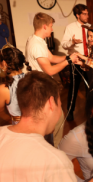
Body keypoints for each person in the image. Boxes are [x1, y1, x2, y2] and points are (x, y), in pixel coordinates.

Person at [25, 13, 74, 146]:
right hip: (42, 87)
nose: (52, 29)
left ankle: (52, 147)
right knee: (55, 119)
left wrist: (70, 57)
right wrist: (68, 61)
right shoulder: (36, 45)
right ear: (45, 26)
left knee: (57, 118)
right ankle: (54, 149)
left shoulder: (38, 40)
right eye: (51, 26)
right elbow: (50, 70)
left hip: (44, 85)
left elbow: (51, 58)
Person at [61, 4, 90, 122]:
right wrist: (72, 42)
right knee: (74, 88)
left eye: (87, 13)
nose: (87, 16)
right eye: (84, 14)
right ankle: (70, 112)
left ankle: (90, 111)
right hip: (76, 62)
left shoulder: (90, 26)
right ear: (77, 15)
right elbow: (64, 44)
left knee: (90, 88)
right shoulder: (70, 27)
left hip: (89, 62)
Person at [0, 45, 34, 127]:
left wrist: (14, 120)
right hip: (40, 124)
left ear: (4, 63)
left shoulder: (4, 89)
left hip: (21, 127)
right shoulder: (33, 79)